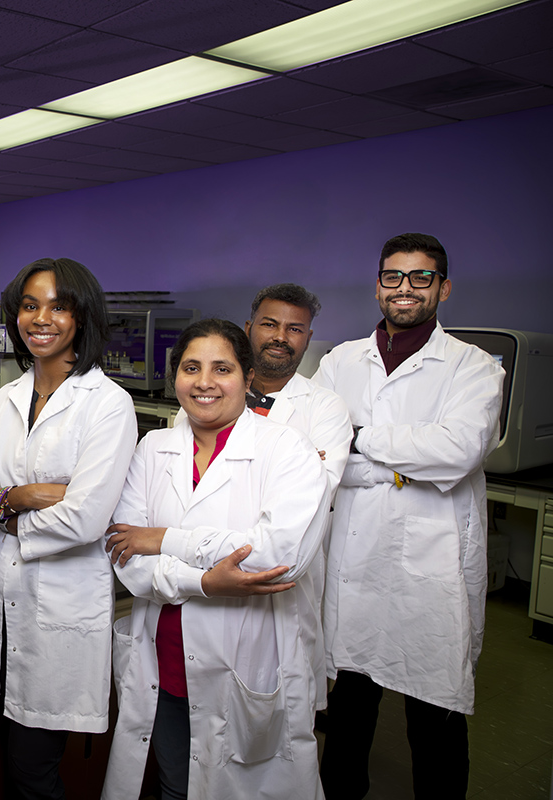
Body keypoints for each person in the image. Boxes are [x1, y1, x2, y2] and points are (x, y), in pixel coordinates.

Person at [102, 318, 327, 800]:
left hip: (246, 658)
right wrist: (206, 583)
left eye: (221, 368)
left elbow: (277, 554)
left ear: (248, 377)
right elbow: (126, 553)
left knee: (246, 787)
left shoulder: (287, 450)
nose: (204, 382)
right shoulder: (153, 447)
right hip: (161, 659)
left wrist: (164, 538)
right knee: (173, 784)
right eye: (191, 367)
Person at [315, 233, 504, 800]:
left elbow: (458, 449)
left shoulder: (473, 368)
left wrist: (360, 441)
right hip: (352, 563)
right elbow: (315, 452)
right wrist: (398, 464)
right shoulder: (339, 361)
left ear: (443, 288)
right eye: (394, 276)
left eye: (421, 277)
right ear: (378, 285)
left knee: (435, 721)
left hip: (430, 574)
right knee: (347, 718)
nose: (406, 288)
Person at [0, 257, 138, 799]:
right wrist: (21, 498)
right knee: (12, 761)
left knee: (34, 770)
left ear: (82, 316)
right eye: (30, 305)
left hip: (59, 604)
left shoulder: (108, 405)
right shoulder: (3, 400)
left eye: (59, 306)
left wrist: (0, 509)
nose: (41, 318)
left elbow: (84, 518)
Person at [243, 283, 351, 712]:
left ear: (307, 338)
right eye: (269, 324)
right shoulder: (211, 391)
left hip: (287, 574)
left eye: (295, 329)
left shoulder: (326, 408)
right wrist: (294, 463)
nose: (280, 337)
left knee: (281, 716)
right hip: (207, 572)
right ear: (249, 327)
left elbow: (314, 499)